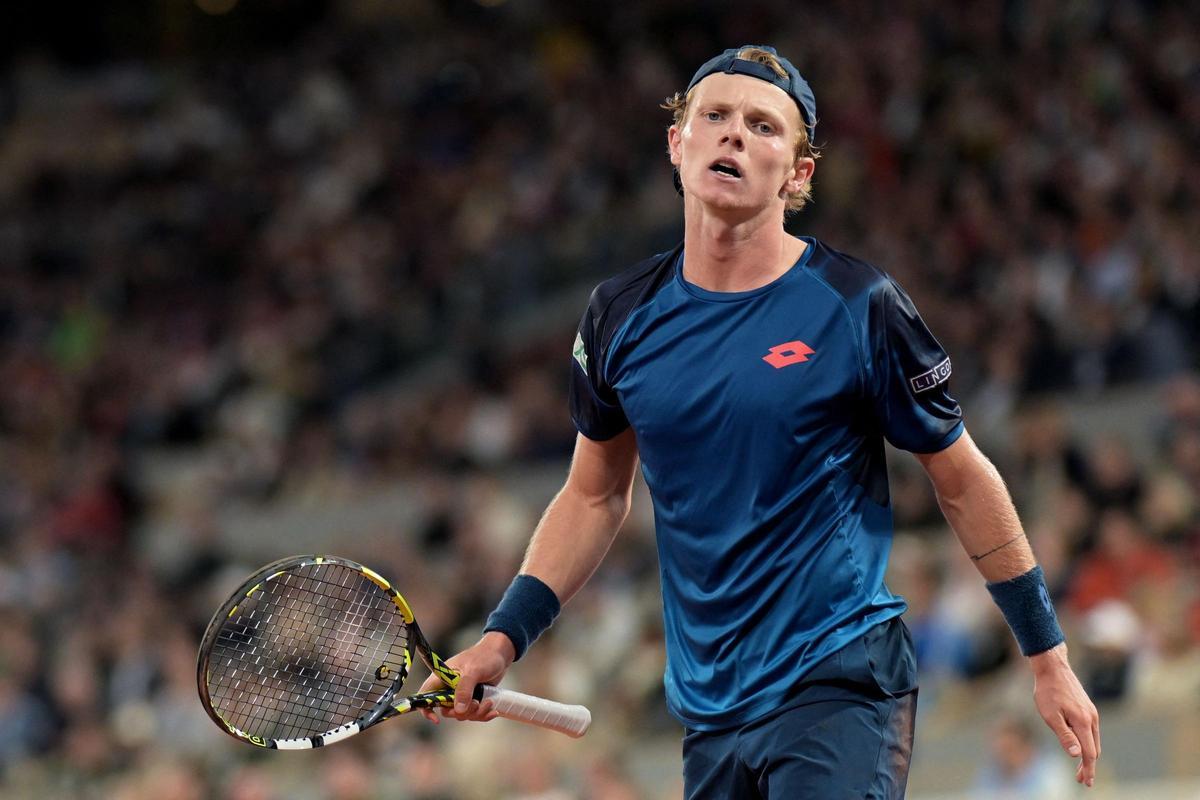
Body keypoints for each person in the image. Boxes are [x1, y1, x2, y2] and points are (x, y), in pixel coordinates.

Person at [420, 45, 1101, 798]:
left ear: (799, 173)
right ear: (676, 144)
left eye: (763, 126)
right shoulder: (618, 315)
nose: (733, 135)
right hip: (710, 711)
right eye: (713, 116)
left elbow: (963, 480)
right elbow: (593, 496)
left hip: (840, 682)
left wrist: (1047, 655)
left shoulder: (857, 304)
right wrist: (501, 637)